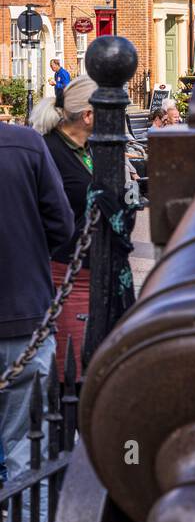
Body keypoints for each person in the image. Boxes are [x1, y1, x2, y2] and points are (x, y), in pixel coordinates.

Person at [0, 119, 74, 487]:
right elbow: (61, 226)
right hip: (23, 315)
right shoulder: (26, 144)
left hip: (24, 314)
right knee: (27, 453)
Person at [29, 76, 97, 375]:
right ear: (88, 115)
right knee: (71, 370)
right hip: (66, 271)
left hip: (101, 270)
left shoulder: (94, 148)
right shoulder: (49, 150)